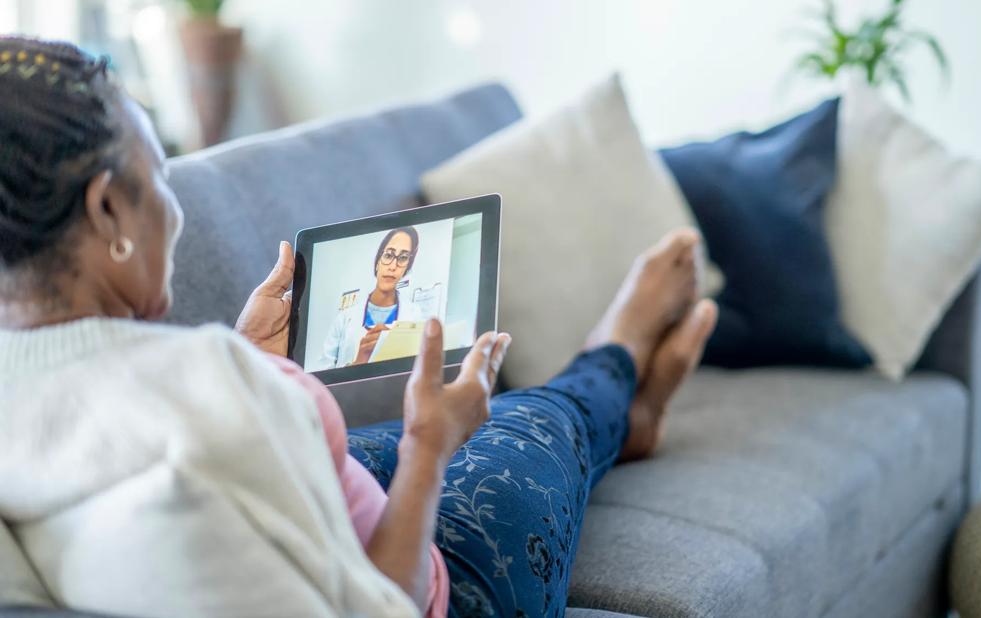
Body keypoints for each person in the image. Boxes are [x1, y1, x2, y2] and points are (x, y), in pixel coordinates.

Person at [0, 37, 717, 618]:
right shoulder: (212, 398)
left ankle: (626, 406)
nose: (173, 206)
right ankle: (618, 362)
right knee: (534, 414)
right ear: (106, 211)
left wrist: (251, 360)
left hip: (328, 491)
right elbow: (385, 604)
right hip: (444, 585)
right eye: (158, 177)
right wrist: (428, 447)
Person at [320, 226, 422, 369]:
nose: (393, 266)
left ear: (406, 268)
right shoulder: (344, 318)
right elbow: (322, 376)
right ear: (377, 262)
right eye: (388, 255)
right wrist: (358, 364)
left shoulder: (415, 314)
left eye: (403, 258)